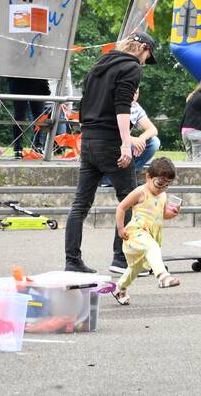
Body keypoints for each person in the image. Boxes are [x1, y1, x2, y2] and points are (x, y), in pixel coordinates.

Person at [64, 32, 156, 274]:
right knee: (131, 198)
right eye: (147, 56)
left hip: (89, 140)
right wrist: (126, 143)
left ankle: (72, 261)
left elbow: (84, 105)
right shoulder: (131, 67)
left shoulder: (98, 65)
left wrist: (88, 133)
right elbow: (122, 107)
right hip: (111, 141)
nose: (145, 62)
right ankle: (121, 259)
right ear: (143, 48)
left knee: (80, 204)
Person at [111, 157, 182, 304]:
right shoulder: (140, 191)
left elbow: (162, 215)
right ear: (148, 177)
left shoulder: (162, 195)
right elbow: (121, 207)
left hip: (151, 235)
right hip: (136, 233)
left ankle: (119, 288)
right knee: (152, 247)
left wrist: (173, 213)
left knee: (135, 268)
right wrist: (120, 228)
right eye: (159, 184)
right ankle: (163, 277)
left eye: (167, 185)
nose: (162, 188)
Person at [8, 76, 50, 159]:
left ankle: (18, 149)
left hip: (18, 80)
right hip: (36, 80)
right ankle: (37, 147)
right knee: (37, 115)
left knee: (20, 115)